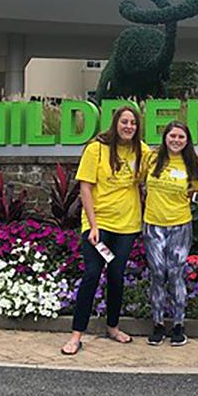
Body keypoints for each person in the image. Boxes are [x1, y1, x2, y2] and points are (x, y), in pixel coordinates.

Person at [62, 106, 147, 355]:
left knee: (117, 275)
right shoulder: (96, 149)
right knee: (92, 274)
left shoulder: (141, 150)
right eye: (124, 121)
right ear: (115, 123)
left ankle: (113, 326)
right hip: (99, 226)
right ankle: (76, 335)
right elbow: (85, 188)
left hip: (127, 225)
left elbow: (159, 169)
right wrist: (93, 225)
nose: (128, 126)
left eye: (133, 122)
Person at [143, 121, 198, 347]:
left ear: (187, 141)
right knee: (158, 273)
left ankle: (178, 324)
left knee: (176, 273)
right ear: (165, 137)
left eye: (181, 137)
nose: (176, 140)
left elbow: (197, 188)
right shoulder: (152, 159)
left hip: (180, 225)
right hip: (153, 225)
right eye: (172, 136)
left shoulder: (192, 164)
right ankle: (158, 323)